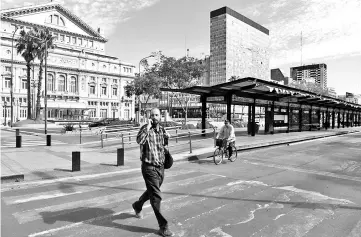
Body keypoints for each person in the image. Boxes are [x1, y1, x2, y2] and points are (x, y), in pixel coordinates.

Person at [132, 108, 174, 237]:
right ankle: (163, 226)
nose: (155, 117)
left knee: (152, 191)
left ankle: (137, 205)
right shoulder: (145, 129)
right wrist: (147, 127)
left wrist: (166, 149)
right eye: (152, 115)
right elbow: (139, 140)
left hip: (160, 167)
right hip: (149, 168)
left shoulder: (162, 130)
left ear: (160, 117)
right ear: (149, 117)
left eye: (157, 115)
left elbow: (164, 146)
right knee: (156, 196)